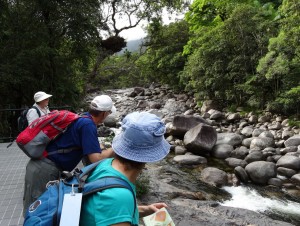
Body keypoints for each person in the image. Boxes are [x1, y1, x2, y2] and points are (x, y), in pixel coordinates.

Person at [23, 95, 116, 217]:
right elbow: (95, 158)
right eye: (109, 112)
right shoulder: (88, 125)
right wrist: (116, 148)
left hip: (42, 166)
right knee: (36, 213)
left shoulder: (83, 118)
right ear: (104, 113)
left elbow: (88, 148)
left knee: (41, 210)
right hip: (44, 170)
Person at [80, 111, 171, 226]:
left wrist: (146, 209)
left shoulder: (106, 164)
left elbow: (112, 211)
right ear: (149, 156)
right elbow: (115, 203)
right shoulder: (119, 196)